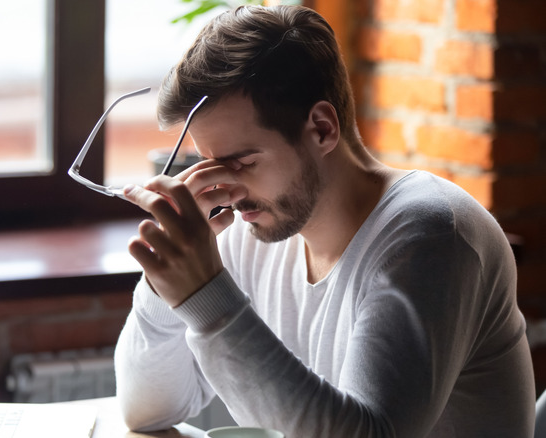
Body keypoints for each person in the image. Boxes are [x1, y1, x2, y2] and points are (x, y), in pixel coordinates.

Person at [112, 4, 536, 437]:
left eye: (240, 162)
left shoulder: (433, 236)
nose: (227, 190)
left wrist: (208, 300)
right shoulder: (252, 229)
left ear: (321, 129)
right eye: (208, 164)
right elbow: (146, 412)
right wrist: (166, 285)